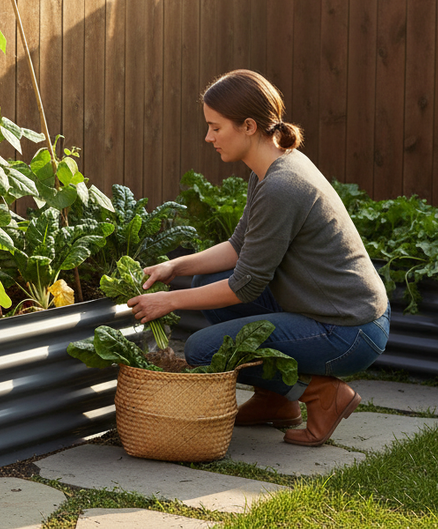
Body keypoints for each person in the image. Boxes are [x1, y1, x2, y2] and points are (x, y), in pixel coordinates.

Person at [128, 69, 390, 447]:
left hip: (349, 330)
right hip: (331, 310)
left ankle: (321, 395)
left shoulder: (282, 185)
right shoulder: (270, 169)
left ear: (249, 126)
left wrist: (168, 301)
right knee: (204, 284)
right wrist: (176, 266)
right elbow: (238, 247)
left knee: (204, 349)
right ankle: (278, 400)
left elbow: (245, 285)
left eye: (216, 128)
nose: (208, 137)